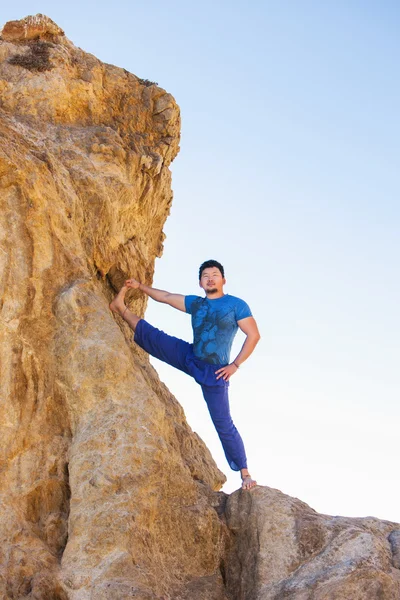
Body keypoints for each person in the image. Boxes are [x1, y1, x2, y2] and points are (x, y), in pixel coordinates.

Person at [110, 259, 261, 490]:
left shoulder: (235, 305)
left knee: (223, 423)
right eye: (205, 276)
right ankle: (120, 308)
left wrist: (235, 365)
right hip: (190, 357)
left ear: (223, 280)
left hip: (215, 373)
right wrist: (140, 287)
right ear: (201, 282)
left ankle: (245, 473)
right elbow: (167, 297)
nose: (210, 278)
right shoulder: (196, 303)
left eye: (215, 274)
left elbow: (253, 335)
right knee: (154, 338)